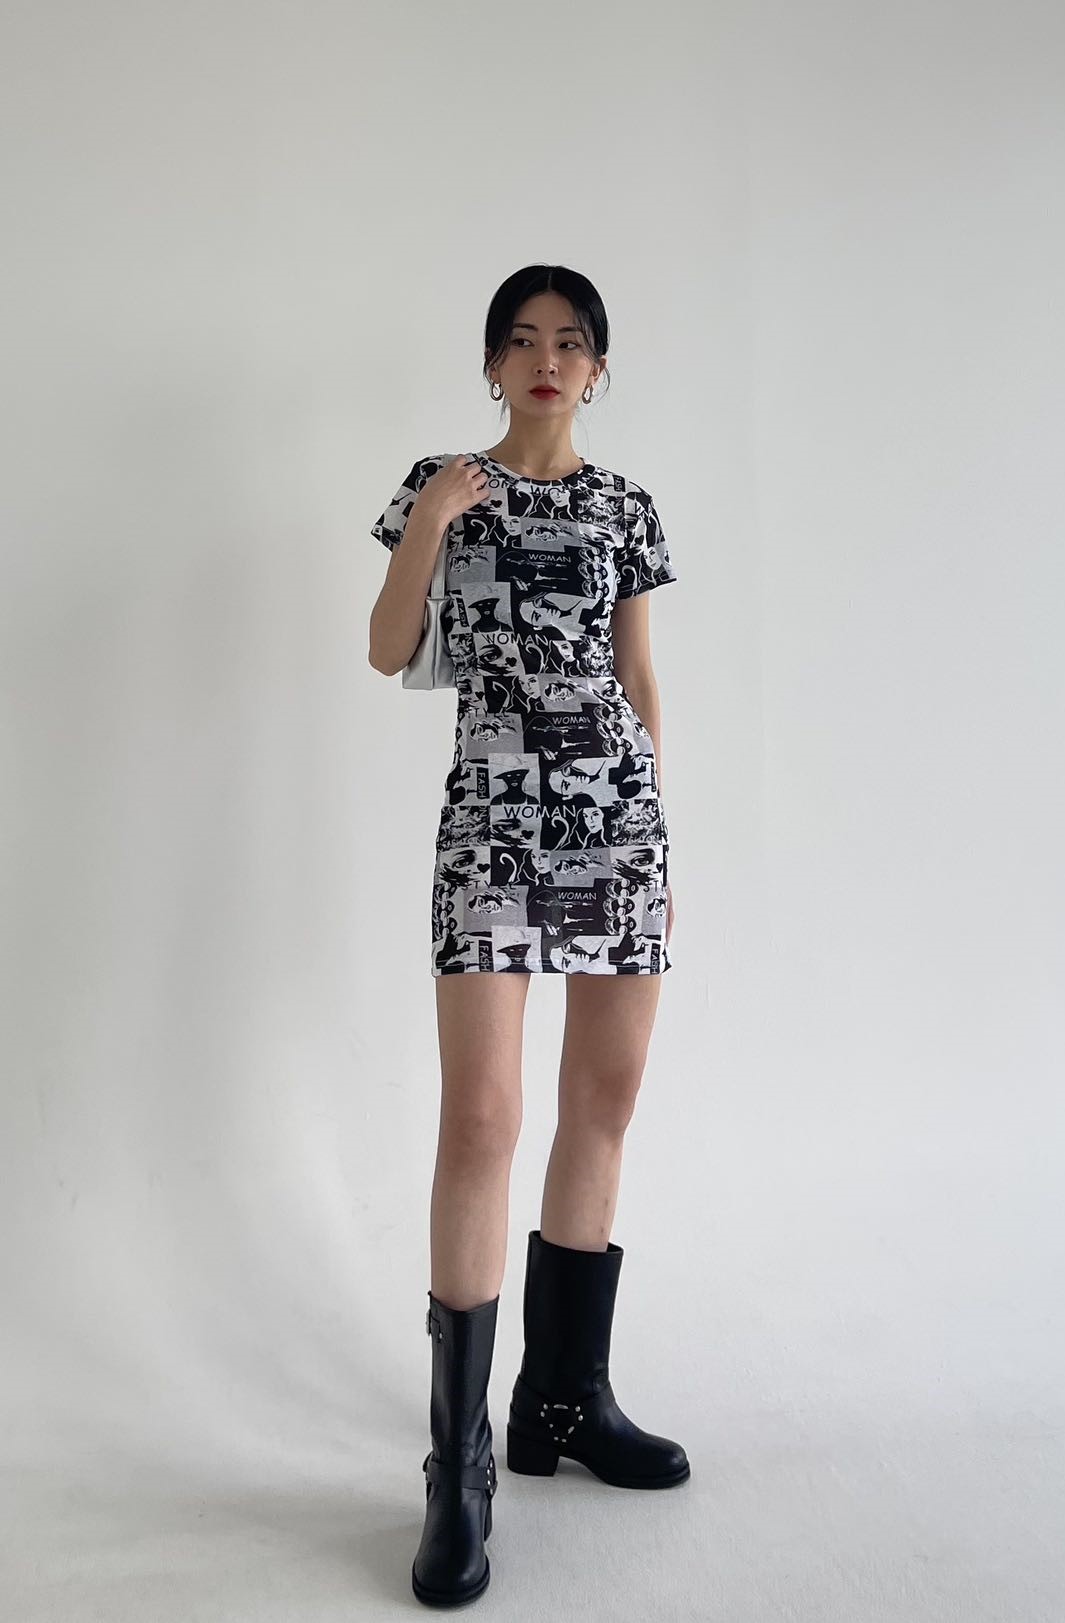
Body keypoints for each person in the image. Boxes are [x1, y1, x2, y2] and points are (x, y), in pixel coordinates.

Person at [368, 265, 690, 1608]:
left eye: (570, 341)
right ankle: (460, 1468)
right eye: (521, 339)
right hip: (493, 824)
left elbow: (638, 678)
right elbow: (387, 646)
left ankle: (564, 1401)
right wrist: (434, 523)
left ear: (598, 368)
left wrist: (653, 836)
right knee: (483, 1120)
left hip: (615, 822)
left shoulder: (629, 506)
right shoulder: (440, 484)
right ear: (493, 365)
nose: (546, 358)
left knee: (603, 1101)